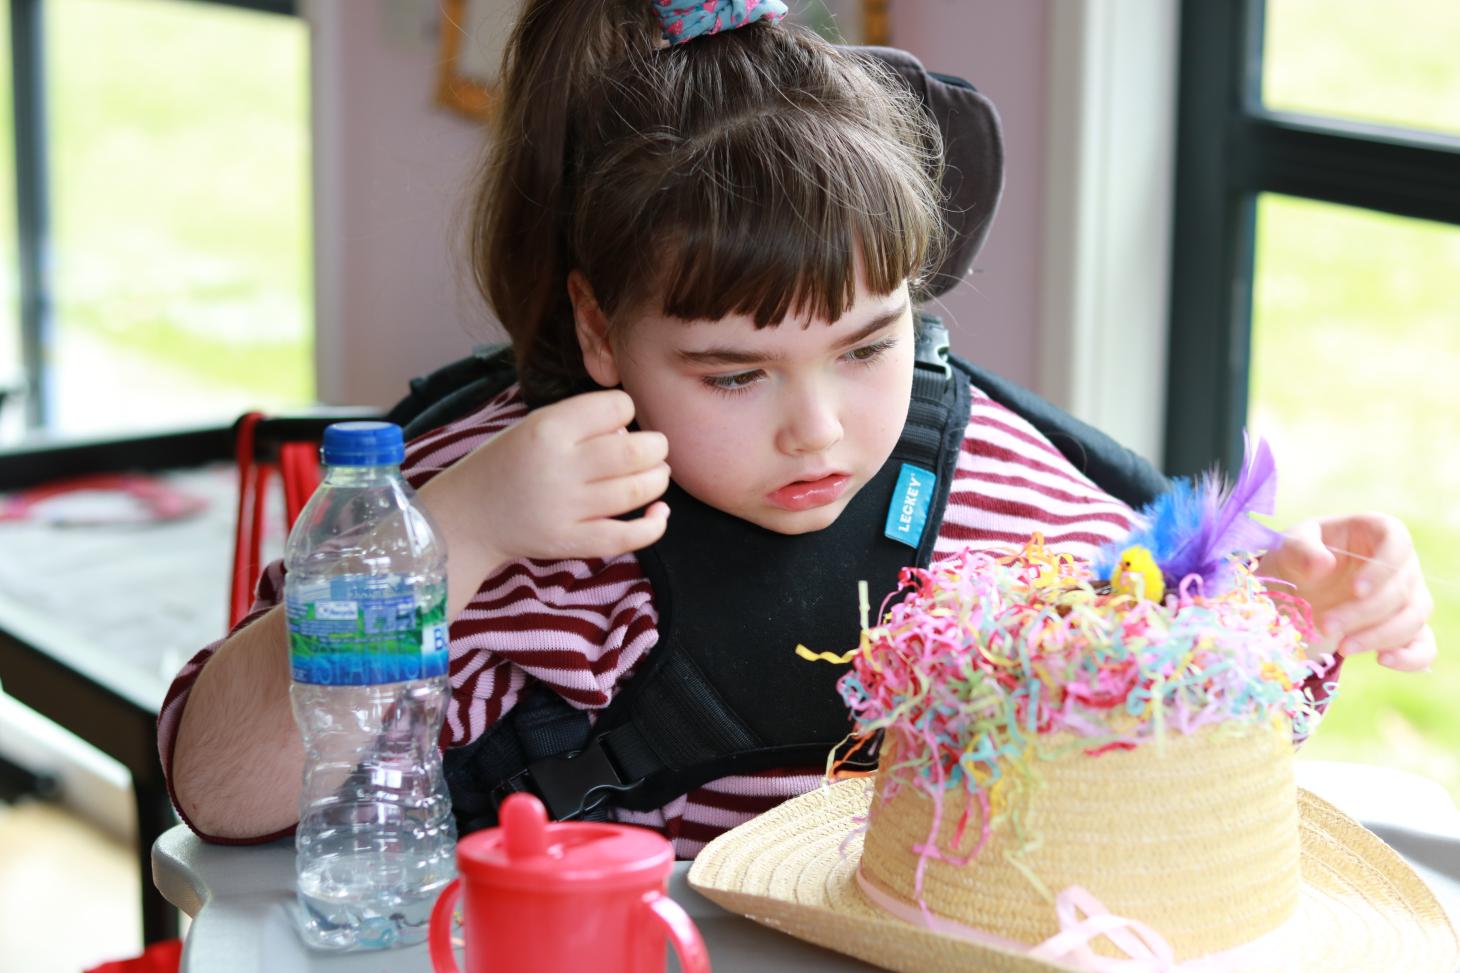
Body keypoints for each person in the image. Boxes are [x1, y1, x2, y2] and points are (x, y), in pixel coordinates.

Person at [161, 0, 1437, 855]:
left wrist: (1290, 615)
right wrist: (451, 537)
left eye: (869, 344)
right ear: (600, 334)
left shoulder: (996, 488)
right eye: (732, 374)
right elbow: (222, 793)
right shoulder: (508, 512)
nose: (819, 430)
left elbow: (1149, 753)